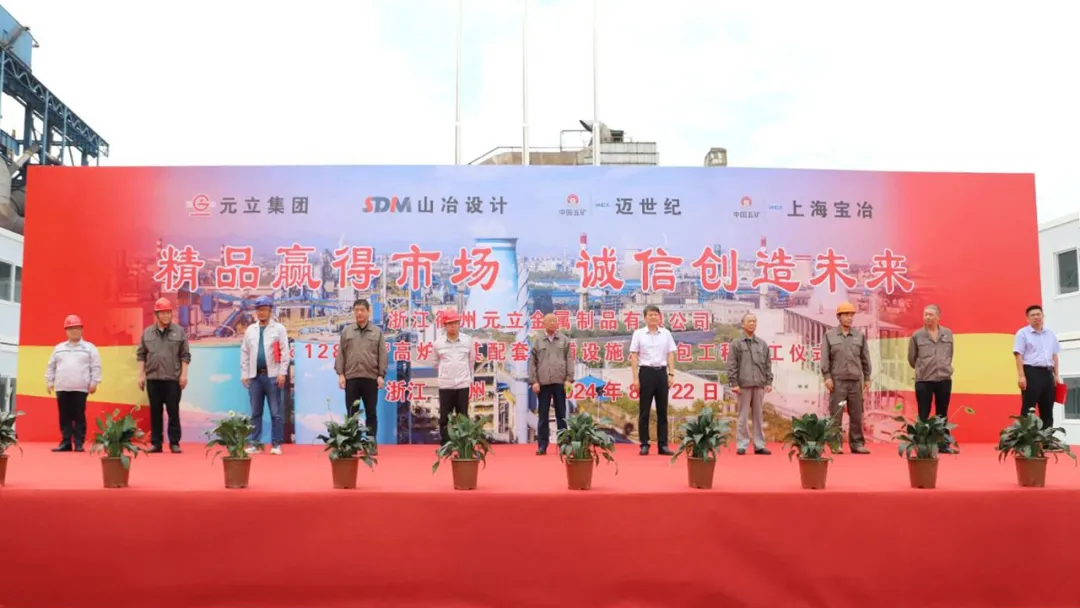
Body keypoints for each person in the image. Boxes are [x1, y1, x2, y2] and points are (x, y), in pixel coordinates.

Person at [136, 297, 190, 453]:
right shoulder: (147, 332)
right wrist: (140, 376)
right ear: (156, 314)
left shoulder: (179, 332)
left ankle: (174, 443)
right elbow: (141, 355)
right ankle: (156, 443)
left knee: (173, 411)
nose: (166, 316)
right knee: (155, 411)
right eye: (163, 313)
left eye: (168, 312)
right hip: (153, 379)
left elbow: (185, 355)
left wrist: (184, 375)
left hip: (172, 379)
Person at [44, 314, 102, 453]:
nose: (74, 331)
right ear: (66, 331)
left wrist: (94, 382)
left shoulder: (89, 348)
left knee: (79, 416)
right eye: (71, 328)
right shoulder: (59, 348)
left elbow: (96, 366)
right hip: (62, 387)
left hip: (80, 388)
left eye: (77, 328)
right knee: (64, 416)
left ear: (82, 329)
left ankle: (79, 443)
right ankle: (66, 442)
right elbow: (51, 366)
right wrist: (49, 381)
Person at [335, 298, 386, 452]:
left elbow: (382, 354)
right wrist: (341, 374)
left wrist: (381, 375)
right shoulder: (347, 331)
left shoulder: (376, 332)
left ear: (368, 312)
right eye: (356, 310)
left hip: (370, 378)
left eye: (362, 310)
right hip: (351, 378)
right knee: (352, 413)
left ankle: (370, 444)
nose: (359, 313)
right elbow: (341, 354)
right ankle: (353, 444)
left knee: (371, 412)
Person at [240, 296, 290, 455]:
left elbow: (285, 352)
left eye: (264, 309)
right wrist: (244, 373)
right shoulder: (250, 329)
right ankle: (254, 443)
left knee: (275, 412)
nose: (261, 312)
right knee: (255, 412)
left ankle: (276, 444)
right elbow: (245, 352)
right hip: (255, 377)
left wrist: (282, 373)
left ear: (270, 310)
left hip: (273, 376)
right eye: (259, 310)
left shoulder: (279, 329)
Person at [820, 301, 872, 454]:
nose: (849, 318)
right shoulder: (829, 336)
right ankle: (836, 444)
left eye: (851, 315)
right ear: (839, 317)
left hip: (855, 381)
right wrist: (827, 377)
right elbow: (825, 358)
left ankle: (857, 444)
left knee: (857, 414)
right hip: (837, 382)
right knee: (836, 414)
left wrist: (867, 377)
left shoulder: (859, 336)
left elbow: (865, 358)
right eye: (846, 315)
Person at [907, 304, 956, 453]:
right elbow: (911, 358)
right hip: (924, 380)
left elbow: (950, 354)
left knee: (942, 413)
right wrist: (923, 368)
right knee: (923, 413)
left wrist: (944, 366)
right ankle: (923, 445)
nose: (927, 317)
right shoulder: (917, 336)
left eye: (931, 315)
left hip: (943, 378)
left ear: (938, 317)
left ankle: (942, 444)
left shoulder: (947, 333)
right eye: (926, 314)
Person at [630, 305, 677, 456]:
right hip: (646, 373)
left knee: (662, 411)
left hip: (661, 373)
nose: (653, 317)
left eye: (656, 314)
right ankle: (644, 444)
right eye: (650, 315)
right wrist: (635, 378)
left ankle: (663, 445)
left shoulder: (666, 333)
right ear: (645, 318)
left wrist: (671, 374)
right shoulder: (638, 334)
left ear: (659, 317)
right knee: (644, 411)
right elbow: (634, 356)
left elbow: (670, 354)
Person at [725, 312, 772, 455]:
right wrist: (734, 383)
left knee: (758, 416)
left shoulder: (762, 344)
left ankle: (759, 445)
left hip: (759, 384)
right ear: (743, 324)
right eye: (749, 321)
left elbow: (767, 365)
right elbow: (732, 365)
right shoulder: (736, 344)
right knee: (743, 416)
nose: (752, 324)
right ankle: (742, 444)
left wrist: (768, 382)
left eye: (754, 321)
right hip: (743, 385)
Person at [528, 313, 574, 455]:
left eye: (555, 321)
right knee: (543, 415)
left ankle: (563, 445)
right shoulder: (538, 341)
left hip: (560, 382)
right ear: (543, 324)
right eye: (549, 321)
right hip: (543, 383)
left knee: (561, 415)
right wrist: (534, 381)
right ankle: (542, 445)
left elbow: (569, 360)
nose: (553, 323)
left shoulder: (564, 340)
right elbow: (532, 363)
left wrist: (569, 379)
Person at [1013, 304, 1061, 431]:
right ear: (1027, 319)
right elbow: (1018, 355)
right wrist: (1021, 376)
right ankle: (1026, 438)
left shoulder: (1050, 334)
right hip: (1031, 373)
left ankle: (1046, 438)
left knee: (1048, 407)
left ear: (1043, 316)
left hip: (1048, 373)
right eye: (1032, 315)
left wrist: (1056, 376)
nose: (1036, 317)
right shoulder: (1022, 334)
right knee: (1029, 408)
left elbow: (1054, 356)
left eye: (1038, 314)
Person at [433, 310, 474, 444]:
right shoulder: (438, 343)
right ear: (445, 325)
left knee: (463, 416)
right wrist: (445, 374)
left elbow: (471, 361)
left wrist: (465, 376)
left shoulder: (467, 341)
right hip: (446, 385)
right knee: (445, 417)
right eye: (450, 323)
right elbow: (435, 363)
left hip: (463, 384)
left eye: (456, 323)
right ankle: (445, 444)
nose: (453, 326)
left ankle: (464, 445)